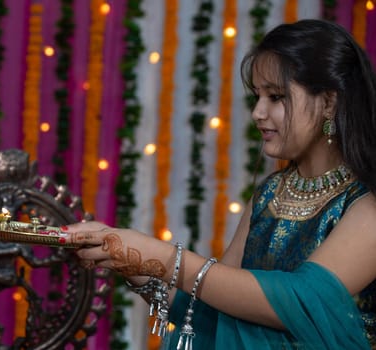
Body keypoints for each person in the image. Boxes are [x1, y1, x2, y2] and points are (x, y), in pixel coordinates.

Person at [62, 19, 376, 349]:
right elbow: (210, 307)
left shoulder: (366, 205)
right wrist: (127, 257)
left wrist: (161, 255)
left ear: (329, 102)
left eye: (276, 96)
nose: (258, 112)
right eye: (257, 96)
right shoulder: (272, 193)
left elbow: (300, 303)